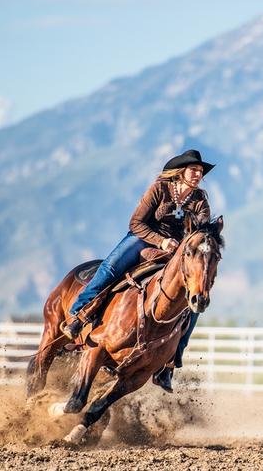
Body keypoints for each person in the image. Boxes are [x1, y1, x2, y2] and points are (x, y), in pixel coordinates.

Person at [62, 149, 215, 392]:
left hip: (175, 253)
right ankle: (79, 314)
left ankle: (171, 362)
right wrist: (161, 241)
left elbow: (200, 233)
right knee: (110, 268)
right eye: (193, 170)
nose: (198, 175)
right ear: (181, 171)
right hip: (142, 239)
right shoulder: (159, 190)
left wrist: (188, 246)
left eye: (200, 172)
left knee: (192, 301)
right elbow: (136, 223)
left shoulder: (200, 202)